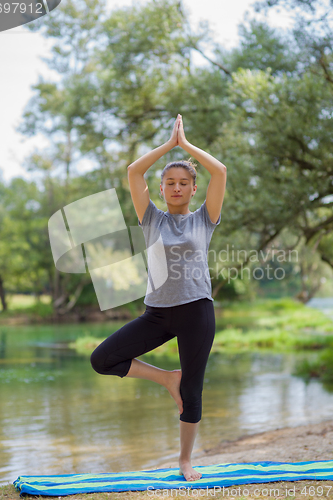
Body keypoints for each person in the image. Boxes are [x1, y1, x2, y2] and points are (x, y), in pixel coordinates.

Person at [90, 114, 227, 481]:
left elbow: (222, 172)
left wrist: (188, 147)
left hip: (197, 311)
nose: (177, 187)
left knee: (193, 391)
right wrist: (169, 145)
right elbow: (135, 172)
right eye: (170, 182)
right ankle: (166, 379)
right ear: (162, 188)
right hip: (157, 314)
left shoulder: (204, 220)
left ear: (193, 188)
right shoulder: (151, 219)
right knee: (102, 358)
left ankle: (185, 460)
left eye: (184, 182)